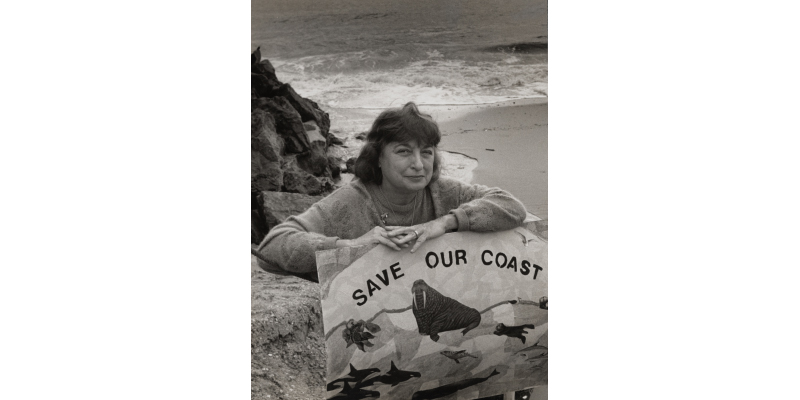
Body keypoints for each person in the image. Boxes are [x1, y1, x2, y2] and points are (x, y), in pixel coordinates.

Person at [255, 102, 527, 282]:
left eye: (427, 152)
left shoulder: (444, 192)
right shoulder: (351, 202)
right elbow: (272, 246)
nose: (418, 164)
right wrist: (348, 246)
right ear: (378, 159)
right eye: (403, 152)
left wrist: (444, 223)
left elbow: (511, 206)